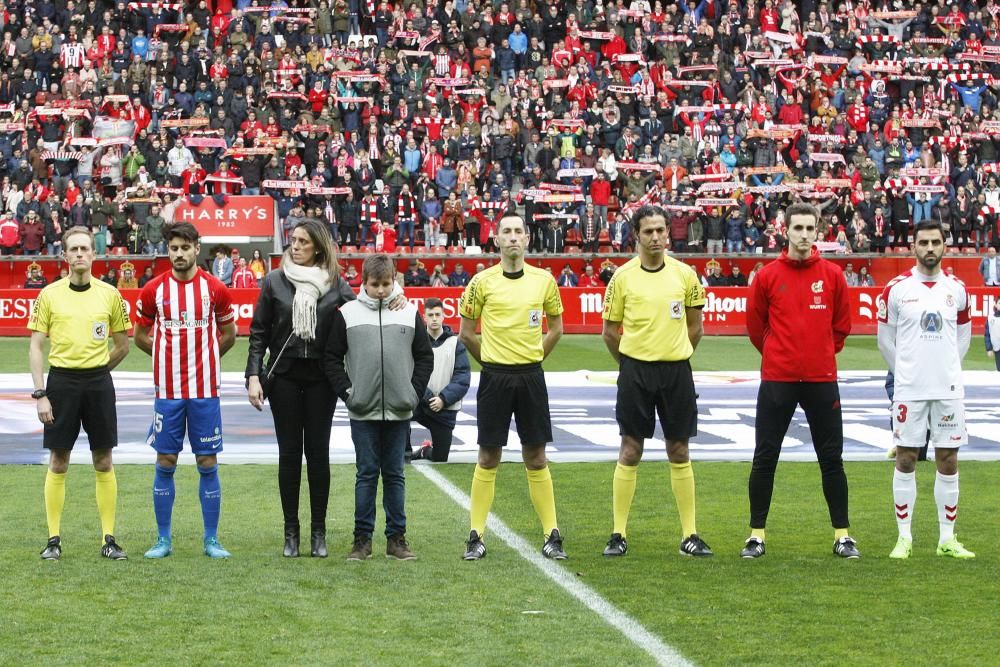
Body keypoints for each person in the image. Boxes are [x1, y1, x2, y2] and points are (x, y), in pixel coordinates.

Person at [744, 203, 859, 559]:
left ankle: (842, 535)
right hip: (778, 379)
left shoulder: (833, 276)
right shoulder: (767, 276)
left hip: (821, 379)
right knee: (765, 457)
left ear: (818, 231)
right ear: (786, 231)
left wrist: (819, 352)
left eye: (811, 229)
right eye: (799, 229)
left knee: (831, 459)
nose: (805, 235)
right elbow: (755, 327)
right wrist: (780, 354)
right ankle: (756, 535)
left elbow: (841, 328)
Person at [599, 205, 712, 558]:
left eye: (661, 230)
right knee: (630, 449)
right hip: (635, 372)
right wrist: (632, 363)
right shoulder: (622, 277)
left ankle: (689, 534)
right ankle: (618, 533)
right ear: (637, 235)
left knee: (679, 449)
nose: (656, 237)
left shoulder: (685, 275)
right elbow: (609, 332)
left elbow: (695, 326)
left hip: (676, 372)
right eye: (648, 231)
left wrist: (675, 352)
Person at [458, 215, 567, 561]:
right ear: (496, 239)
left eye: (519, 231)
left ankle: (552, 533)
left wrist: (535, 357)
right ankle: (476, 535)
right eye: (506, 231)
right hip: (494, 378)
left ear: (528, 238)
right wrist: (490, 360)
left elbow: (556, 329)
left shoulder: (544, 280)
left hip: (531, 376)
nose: (513, 237)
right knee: (488, 456)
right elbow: (466, 333)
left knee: (536, 456)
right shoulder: (480, 282)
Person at [245, 220, 356, 558]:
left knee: (318, 455)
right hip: (285, 377)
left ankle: (318, 533)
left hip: (323, 378)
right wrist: (253, 376)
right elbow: (258, 332)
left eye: (303, 242)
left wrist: (393, 299)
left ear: (319, 247)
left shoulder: (336, 285)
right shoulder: (274, 281)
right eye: (293, 240)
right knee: (290, 455)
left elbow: (363, 312)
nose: (295, 246)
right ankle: (290, 532)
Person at [134, 222, 238, 559]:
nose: (179, 254)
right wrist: (166, 358)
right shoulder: (153, 290)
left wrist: (206, 359)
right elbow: (140, 335)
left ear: (197, 248)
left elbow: (229, 334)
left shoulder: (215, 290)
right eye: (173, 248)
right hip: (168, 392)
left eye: (185, 247)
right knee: (166, 459)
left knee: (207, 461)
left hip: (205, 392)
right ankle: (163, 540)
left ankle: (211, 540)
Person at [28, 226, 131, 561]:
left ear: (94, 254)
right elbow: (35, 345)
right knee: (59, 461)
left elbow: (122, 344)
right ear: (64, 256)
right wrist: (41, 393)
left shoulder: (110, 295)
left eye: (85, 249)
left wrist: (99, 369)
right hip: (60, 385)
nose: (79, 255)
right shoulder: (49, 295)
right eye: (73, 250)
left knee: (103, 459)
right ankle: (53, 540)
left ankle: (109, 539)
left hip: (99, 384)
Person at [325, 254, 434, 561]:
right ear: (365, 283)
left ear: (394, 281)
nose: (382, 290)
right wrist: (349, 394)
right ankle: (362, 541)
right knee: (367, 474)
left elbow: (425, 357)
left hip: (400, 410)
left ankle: (396, 539)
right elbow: (332, 358)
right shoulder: (347, 314)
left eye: (387, 284)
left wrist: (413, 394)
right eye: (375, 284)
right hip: (363, 411)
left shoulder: (410, 313)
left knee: (396, 474)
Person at [877, 220, 975, 559]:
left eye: (935, 242)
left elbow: (963, 336)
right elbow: (885, 339)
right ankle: (904, 538)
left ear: (945, 245)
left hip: (948, 389)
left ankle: (947, 538)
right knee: (906, 458)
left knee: (948, 460)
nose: (929, 248)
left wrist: (948, 366)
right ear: (913, 246)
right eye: (924, 242)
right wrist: (904, 372)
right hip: (909, 389)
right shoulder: (897, 289)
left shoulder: (958, 289)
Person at [410, 298, 471, 462]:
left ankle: (425, 451)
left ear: (444, 316)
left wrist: (443, 399)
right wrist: (428, 397)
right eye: (431, 315)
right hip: (419, 403)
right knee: (398, 418)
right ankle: (405, 452)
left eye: (438, 314)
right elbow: (409, 372)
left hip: (444, 409)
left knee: (440, 458)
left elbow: (462, 377)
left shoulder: (455, 344)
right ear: (425, 317)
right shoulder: (415, 342)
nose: (434, 318)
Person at [986, 298, 1000, 372]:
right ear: (996, 305)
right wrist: (989, 349)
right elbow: (987, 334)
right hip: (997, 348)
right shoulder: (990, 318)